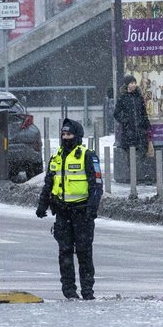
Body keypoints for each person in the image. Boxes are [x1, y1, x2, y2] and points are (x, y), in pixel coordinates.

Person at [36, 119, 103, 300]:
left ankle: (87, 291)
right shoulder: (56, 157)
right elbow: (49, 183)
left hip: (82, 212)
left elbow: (96, 185)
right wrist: (42, 205)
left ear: (77, 136)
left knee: (84, 252)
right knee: (64, 252)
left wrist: (92, 209)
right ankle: (69, 291)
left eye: (69, 134)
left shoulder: (87, 156)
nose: (66, 138)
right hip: (63, 213)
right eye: (63, 134)